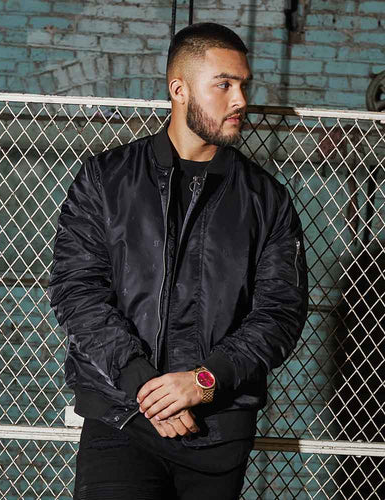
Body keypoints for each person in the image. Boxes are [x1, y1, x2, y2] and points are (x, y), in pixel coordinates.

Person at [48, 22, 308, 500]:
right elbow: (76, 290)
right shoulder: (106, 180)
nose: (240, 101)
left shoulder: (266, 199)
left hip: (217, 430)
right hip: (121, 418)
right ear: (179, 89)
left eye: (243, 85)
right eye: (224, 85)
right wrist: (145, 388)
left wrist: (204, 381)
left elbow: (280, 313)